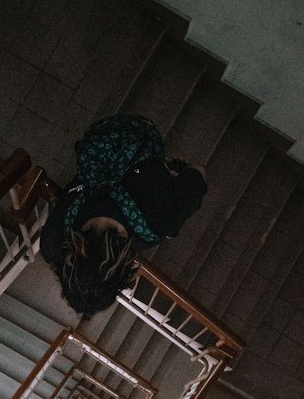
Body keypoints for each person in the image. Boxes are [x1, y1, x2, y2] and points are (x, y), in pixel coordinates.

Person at [40, 115, 207, 318]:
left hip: (143, 134)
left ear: (122, 272)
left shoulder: (163, 220)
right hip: (100, 136)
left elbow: (199, 171)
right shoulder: (52, 244)